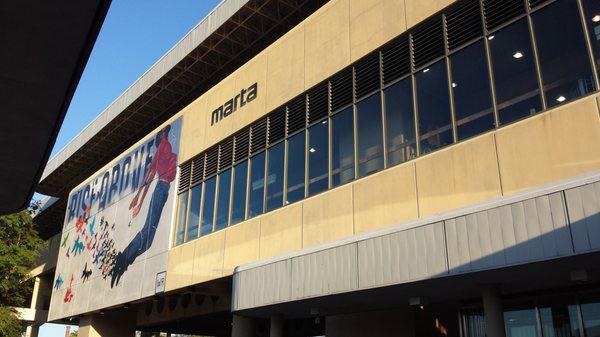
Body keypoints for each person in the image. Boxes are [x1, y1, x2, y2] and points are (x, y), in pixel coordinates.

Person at [110, 125, 177, 287]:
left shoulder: (164, 149)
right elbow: (149, 176)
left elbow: (149, 176)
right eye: (163, 133)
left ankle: (125, 260)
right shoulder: (163, 146)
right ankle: (123, 259)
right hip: (161, 189)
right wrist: (138, 201)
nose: (165, 132)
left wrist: (138, 199)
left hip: (163, 191)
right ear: (161, 137)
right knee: (147, 230)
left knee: (149, 242)